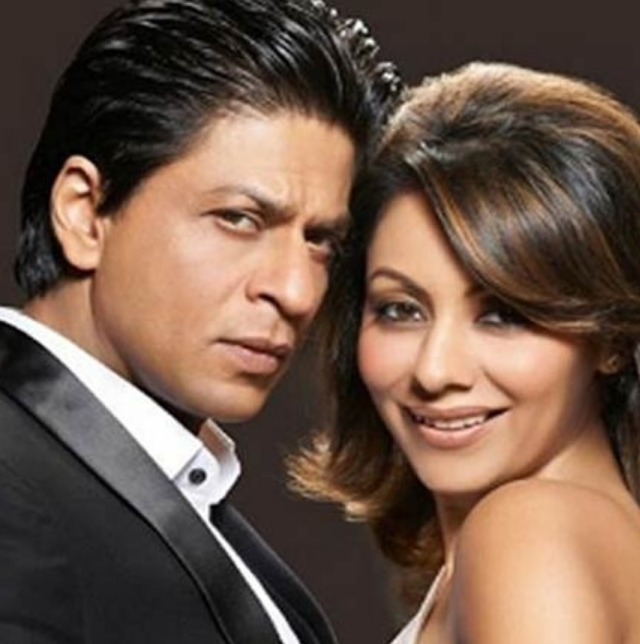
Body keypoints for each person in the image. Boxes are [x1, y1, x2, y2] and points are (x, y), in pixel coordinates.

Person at [0, 0, 401, 642]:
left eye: (321, 241)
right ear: (84, 214)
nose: (297, 291)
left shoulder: (183, 501)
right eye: (239, 219)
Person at [291, 61, 640, 643]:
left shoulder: (530, 532)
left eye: (501, 315)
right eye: (400, 309)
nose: (435, 371)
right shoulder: (583, 535)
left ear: (610, 337)